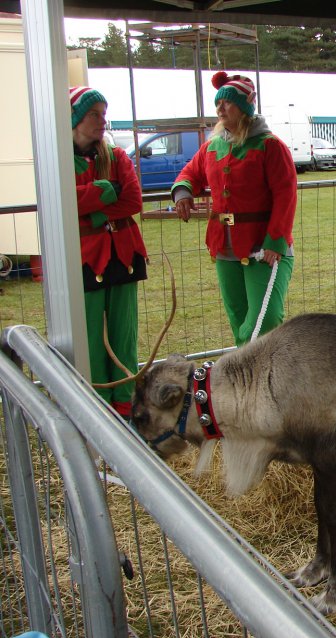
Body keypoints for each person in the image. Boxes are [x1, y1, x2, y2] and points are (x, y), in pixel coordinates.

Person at [171, 71, 297, 347]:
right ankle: (247, 380)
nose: (220, 108)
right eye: (218, 103)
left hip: (264, 246)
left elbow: (285, 195)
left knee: (264, 320)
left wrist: (275, 242)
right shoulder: (212, 147)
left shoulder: (270, 146)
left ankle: (260, 373)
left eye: (227, 102)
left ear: (245, 107)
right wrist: (183, 192)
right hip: (224, 245)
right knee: (238, 316)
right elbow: (190, 173)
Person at [70, 86, 147, 419]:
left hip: (123, 254)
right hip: (85, 258)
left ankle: (126, 405)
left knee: (123, 334)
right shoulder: (60, 161)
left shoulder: (115, 157)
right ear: (74, 119)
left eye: (103, 113)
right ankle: (97, 409)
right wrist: (102, 191)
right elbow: (62, 201)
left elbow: (133, 201)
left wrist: (94, 210)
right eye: (93, 114)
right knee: (89, 338)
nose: (102, 121)